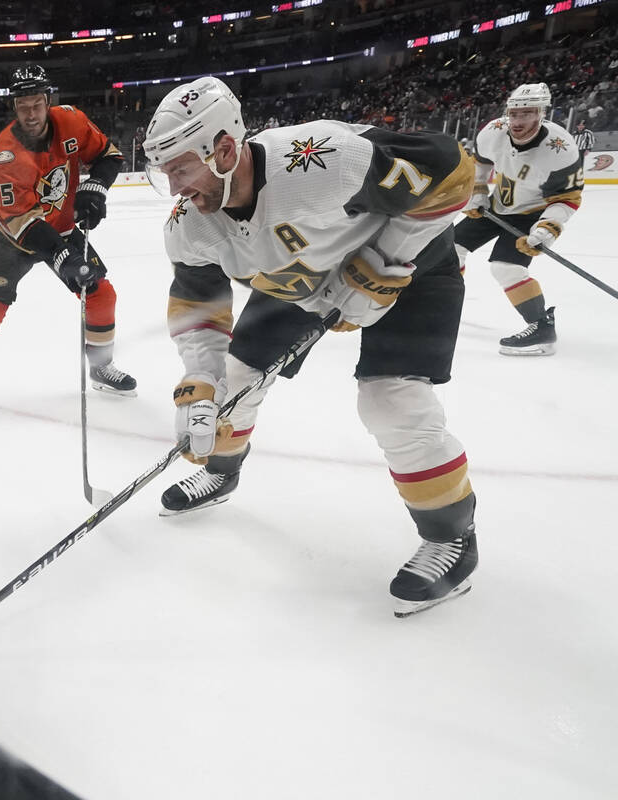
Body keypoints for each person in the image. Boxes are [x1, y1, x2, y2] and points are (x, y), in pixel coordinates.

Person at [142, 76, 479, 617]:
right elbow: (196, 303)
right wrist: (198, 386)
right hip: (297, 279)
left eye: (180, 168)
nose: (174, 186)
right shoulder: (190, 226)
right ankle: (222, 472)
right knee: (236, 378)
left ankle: (452, 535)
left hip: (418, 268)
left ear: (224, 149)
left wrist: (386, 261)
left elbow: (452, 171)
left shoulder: (322, 160)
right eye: (167, 172)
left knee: (391, 402)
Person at [0, 64, 134, 415]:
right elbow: (22, 222)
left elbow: (109, 155)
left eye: (36, 103)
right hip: (14, 237)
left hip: (62, 226)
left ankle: (100, 367)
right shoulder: (6, 152)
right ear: (14, 107)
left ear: (47, 100)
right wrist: (63, 258)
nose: (31, 113)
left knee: (101, 294)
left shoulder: (71, 121)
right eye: (23, 106)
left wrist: (96, 188)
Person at [453, 83, 583, 356]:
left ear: (541, 114)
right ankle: (443, 305)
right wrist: (477, 191)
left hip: (533, 213)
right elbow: (481, 164)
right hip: (496, 205)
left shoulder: (561, 149)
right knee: (449, 251)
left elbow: (567, 199)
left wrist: (547, 229)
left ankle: (542, 327)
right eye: (514, 113)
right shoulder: (493, 132)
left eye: (526, 114)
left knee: (505, 268)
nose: (517, 120)